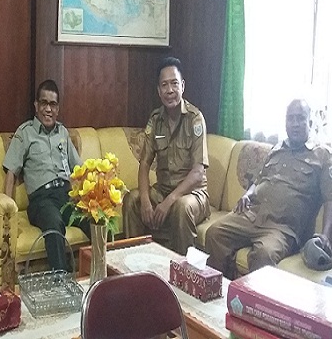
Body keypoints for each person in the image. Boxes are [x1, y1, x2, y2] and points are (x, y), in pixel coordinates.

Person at [206, 99, 332, 279]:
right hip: (252, 215)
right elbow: (259, 180)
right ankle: (220, 288)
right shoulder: (278, 148)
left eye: (300, 118)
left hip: (282, 229)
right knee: (215, 233)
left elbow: (329, 198)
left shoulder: (322, 155)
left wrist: (326, 236)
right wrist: (248, 194)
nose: (295, 124)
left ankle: (248, 297)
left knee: (264, 254)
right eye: (291, 119)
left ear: (310, 122)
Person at [123, 57, 210, 254]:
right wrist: (145, 200)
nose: (170, 90)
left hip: (193, 195)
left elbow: (198, 173)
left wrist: (169, 201)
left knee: (181, 207)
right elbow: (144, 163)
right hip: (162, 190)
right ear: (158, 90)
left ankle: (182, 269)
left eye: (174, 83)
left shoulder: (195, 119)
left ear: (182, 86)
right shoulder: (155, 120)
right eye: (164, 85)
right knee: (132, 200)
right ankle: (135, 263)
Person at [3, 79, 89, 271]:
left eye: (53, 104)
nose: (48, 109)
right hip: (42, 200)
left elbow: (80, 171)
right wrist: (7, 214)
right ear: (36, 105)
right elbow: (11, 172)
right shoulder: (25, 133)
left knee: (95, 220)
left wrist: (89, 198)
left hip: (66, 196)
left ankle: (103, 275)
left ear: (58, 108)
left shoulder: (63, 132)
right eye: (44, 103)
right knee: (54, 223)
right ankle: (61, 279)